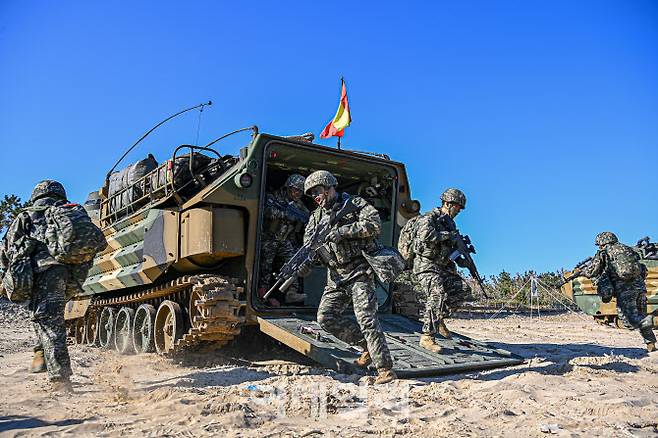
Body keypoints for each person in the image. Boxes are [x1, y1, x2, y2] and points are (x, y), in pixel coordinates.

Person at [302, 170, 396, 384]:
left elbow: (374, 225)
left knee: (366, 318)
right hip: (335, 277)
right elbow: (310, 245)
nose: (316, 197)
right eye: (312, 194)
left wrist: (343, 231)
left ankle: (385, 369)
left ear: (329, 186)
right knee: (325, 318)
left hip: (359, 271)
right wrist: (308, 261)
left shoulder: (355, 203)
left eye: (318, 191)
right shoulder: (316, 217)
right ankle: (367, 348)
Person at [5, 180, 74, 391]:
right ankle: (40, 353)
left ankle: (60, 380)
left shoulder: (26, 216)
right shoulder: (68, 212)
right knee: (44, 318)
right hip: (67, 276)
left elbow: (7, 250)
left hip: (37, 275)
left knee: (51, 325)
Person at [412, 188, 472, 353]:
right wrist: (449, 236)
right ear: (448, 203)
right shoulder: (429, 218)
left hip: (442, 266)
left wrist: (461, 259)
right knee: (437, 293)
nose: (459, 210)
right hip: (426, 265)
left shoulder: (450, 223)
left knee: (463, 290)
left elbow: (448, 249)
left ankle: (438, 319)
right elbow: (426, 236)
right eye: (457, 206)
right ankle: (427, 337)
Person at [583, 231, 656, 352]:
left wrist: (584, 272)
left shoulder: (604, 252)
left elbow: (592, 271)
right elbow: (641, 266)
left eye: (599, 245)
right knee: (640, 316)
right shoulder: (628, 249)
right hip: (641, 288)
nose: (599, 247)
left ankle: (652, 322)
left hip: (625, 291)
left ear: (603, 243)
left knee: (628, 321)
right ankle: (650, 343)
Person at [258, 174, 310, 306]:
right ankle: (261, 295)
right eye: (296, 190)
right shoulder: (274, 197)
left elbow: (307, 217)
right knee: (265, 268)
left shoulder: (299, 205)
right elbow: (266, 210)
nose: (298, 193)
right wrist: (285, 214)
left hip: (285, 239)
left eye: (301, 191)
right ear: (288, 187)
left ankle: (291, 292)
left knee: (293, 263)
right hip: (269, 238)